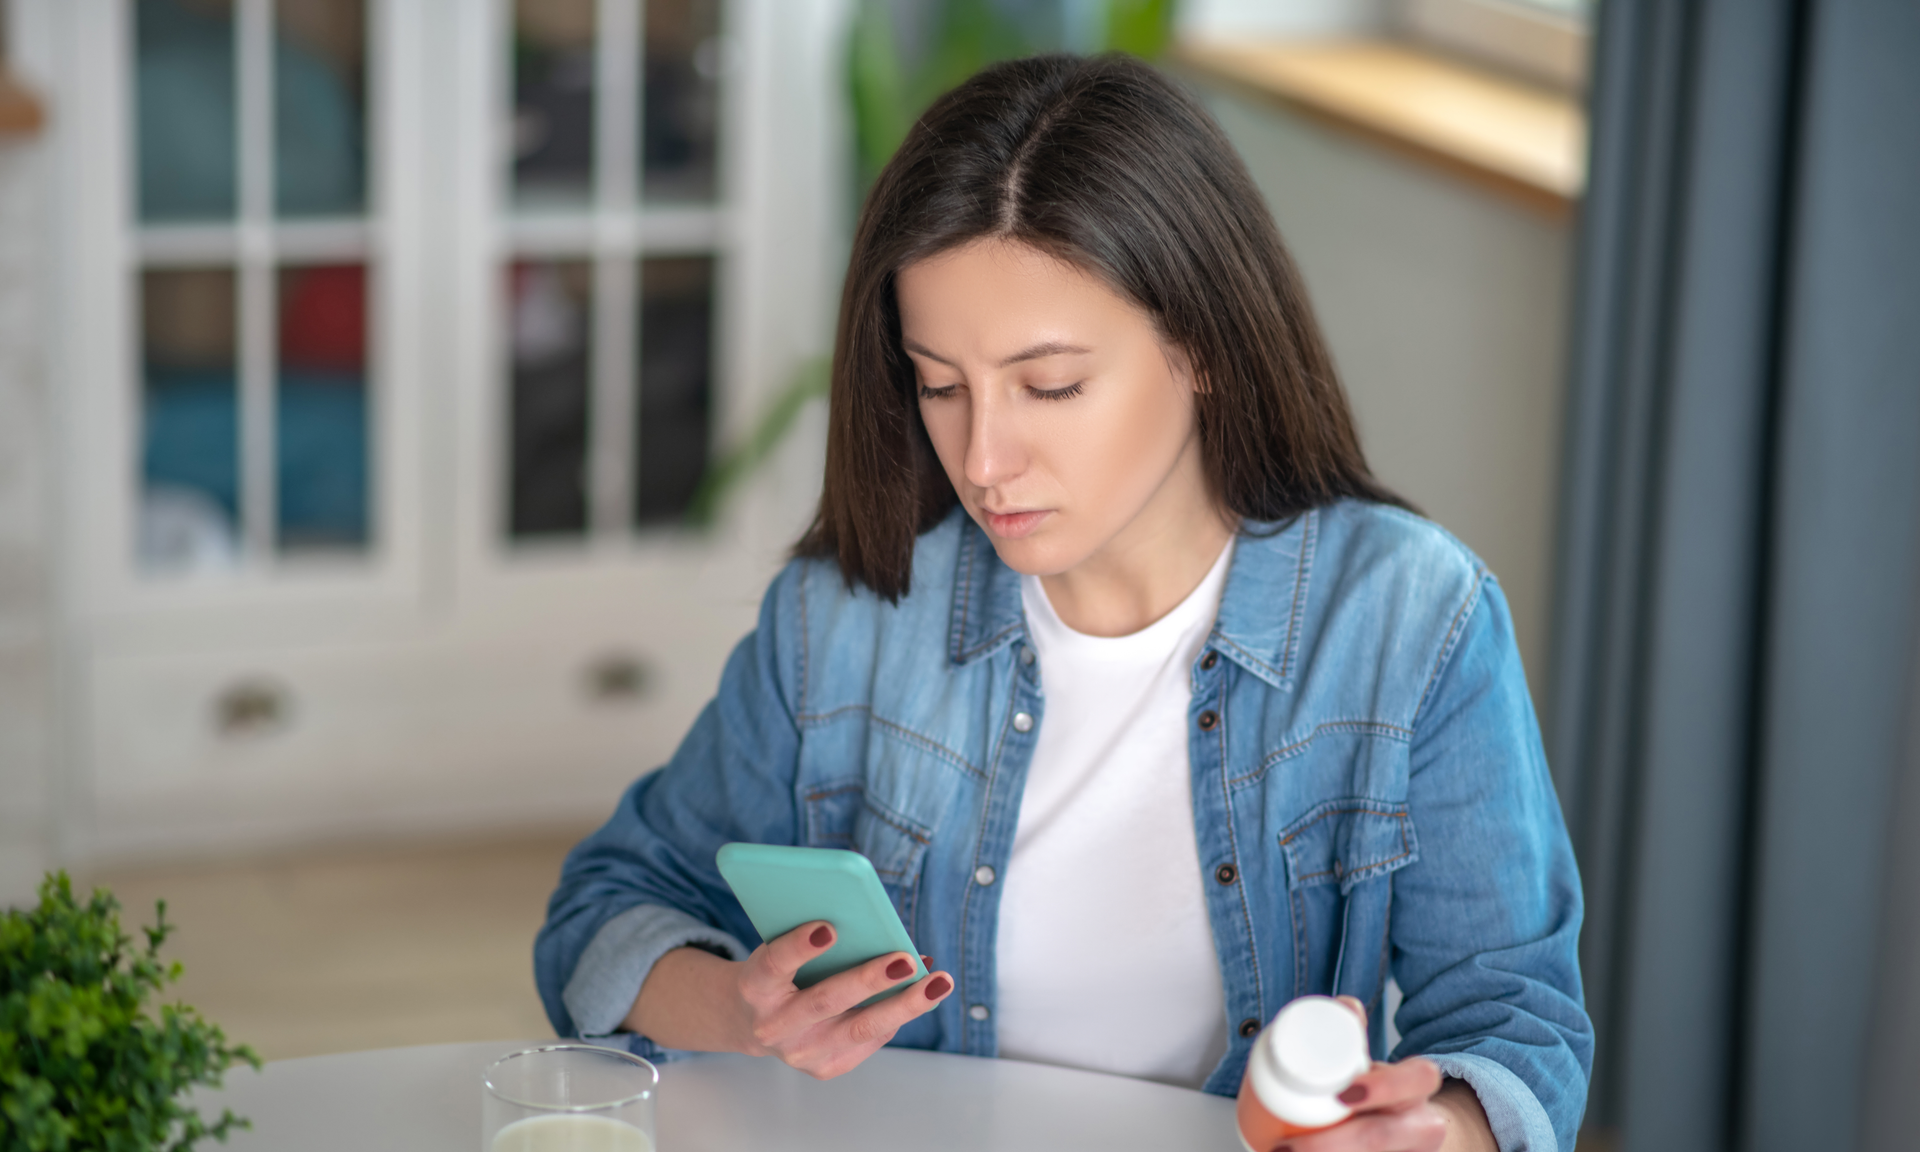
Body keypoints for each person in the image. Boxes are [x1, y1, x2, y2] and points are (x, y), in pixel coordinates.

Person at [535, 53, 1591, 1152]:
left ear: (1202, 349)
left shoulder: (1411, 622)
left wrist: (1437, 1133)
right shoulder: (844, 619)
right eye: (939, 384)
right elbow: (600, 915)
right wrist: (738, 1007)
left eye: (1050, 386)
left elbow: (1519, 1026)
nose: (984, 457)